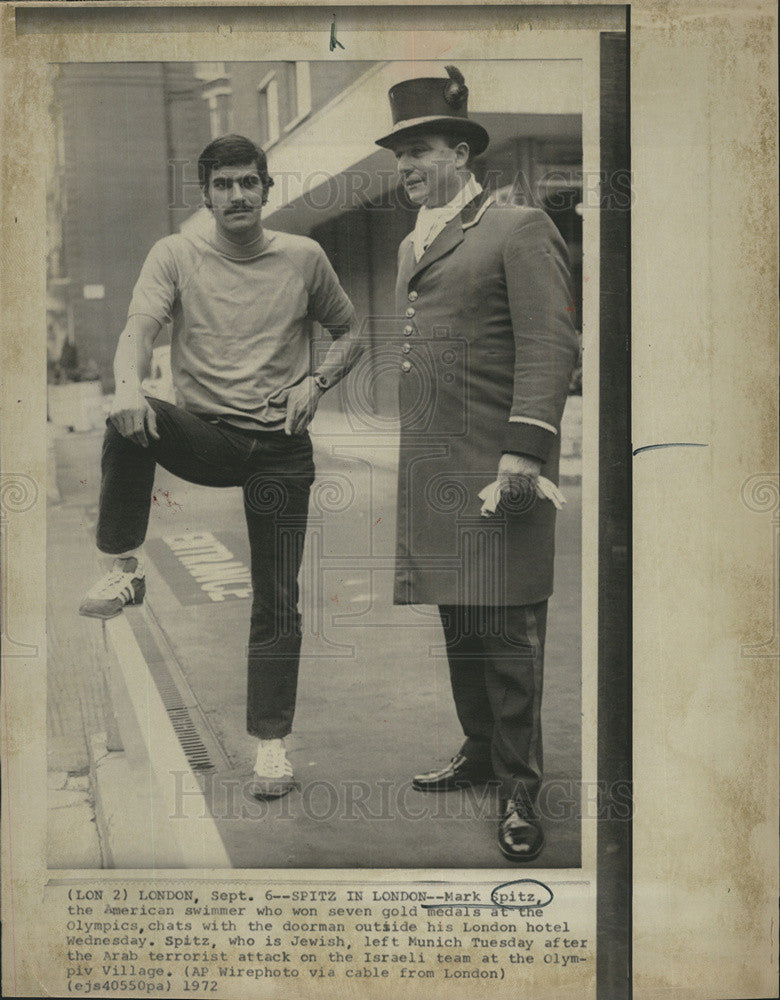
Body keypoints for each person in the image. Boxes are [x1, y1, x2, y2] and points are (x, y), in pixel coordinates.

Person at [79, 134, 363, 800]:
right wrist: (125, 386)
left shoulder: (304, 257)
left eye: (248, 183)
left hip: (282, 447)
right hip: (208, 436)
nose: (237, 195)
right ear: (204, 195)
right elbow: (138, 329)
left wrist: (316, 383)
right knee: (131, 416)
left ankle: (270, 745)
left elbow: (349, 332)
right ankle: (124, 567)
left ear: (267, 189)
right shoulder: (175, 254)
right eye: (223, 185)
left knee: (277, 598)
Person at [375, 67, 578, 862]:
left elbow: (551, 344)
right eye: (398, 157)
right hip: (436, 470)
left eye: (418, 151)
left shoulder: (518, 225)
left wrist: (525, 448)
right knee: (458, 618)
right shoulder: (409, 243)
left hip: (499, 468)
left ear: (461, 152)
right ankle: (479, 748)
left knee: (509, 629)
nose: (405, 169)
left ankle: (521, 790)